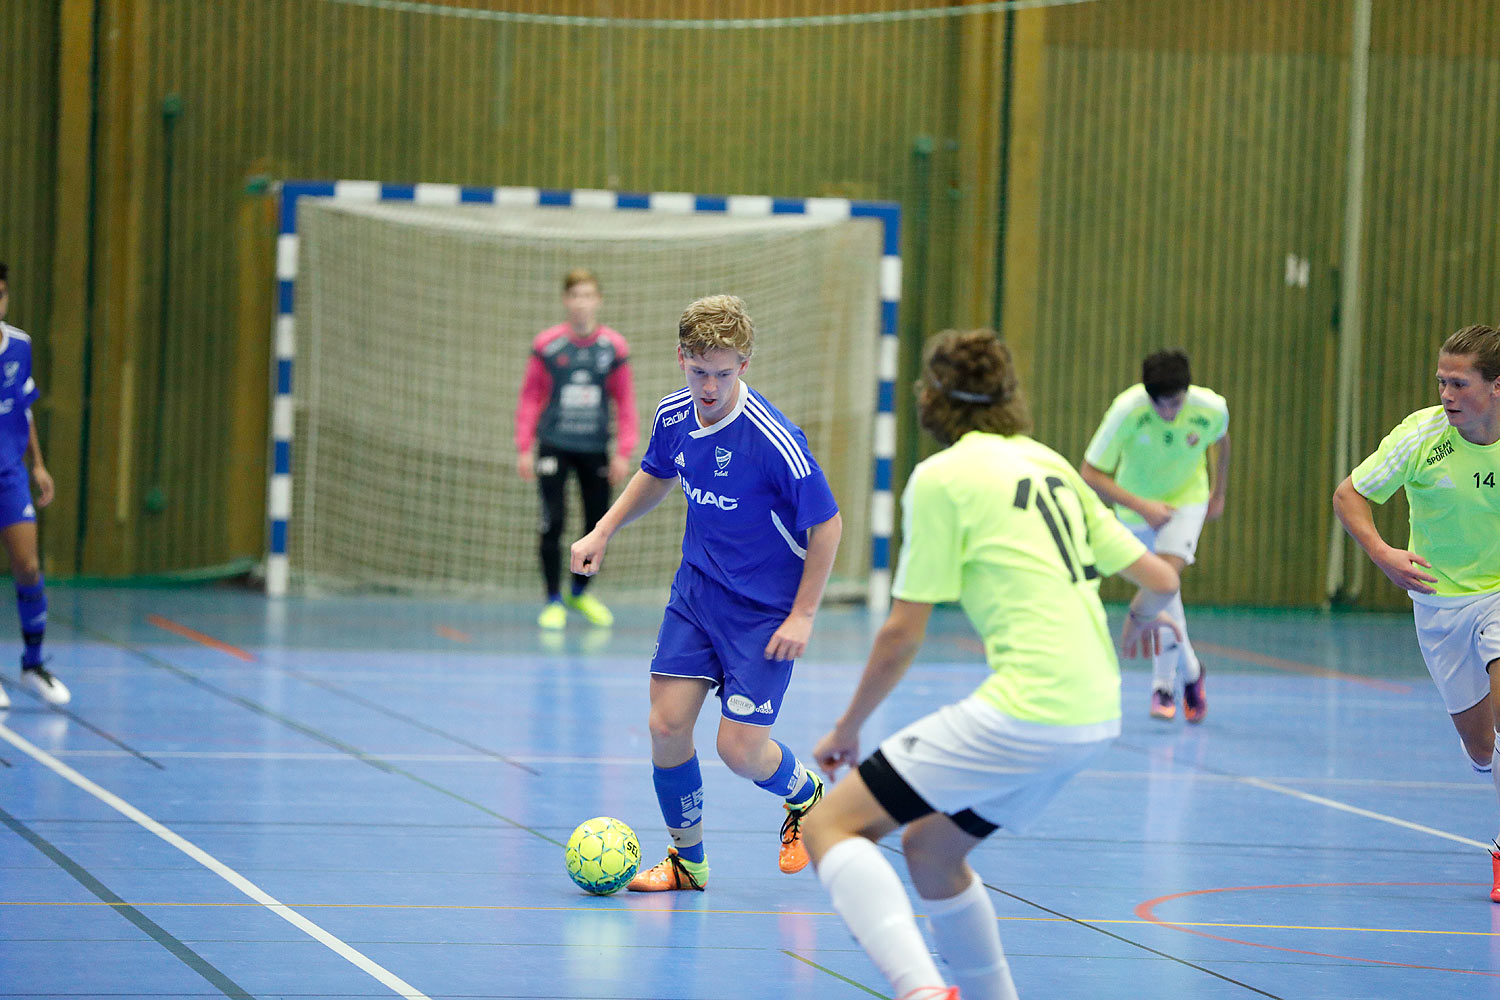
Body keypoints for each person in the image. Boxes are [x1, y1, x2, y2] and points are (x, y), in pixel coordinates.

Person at [801, 329, 1181, 1000]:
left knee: (828, 824)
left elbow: (901, 633)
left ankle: (919, 990)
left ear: (934, 399)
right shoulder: (1050, 463)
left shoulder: (942, 478)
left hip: (1029, 708)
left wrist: (846, 729)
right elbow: (1160, 577)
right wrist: (1144, 618)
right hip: (1095, 710)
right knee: (933, 853)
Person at [570, 294, 842, 890]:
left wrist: (802, 615)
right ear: (681, 360)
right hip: (698, 593)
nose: (710, 386)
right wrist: (603, 529)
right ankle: (687, 864)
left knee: (741, 752)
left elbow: (828, 524)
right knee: (666, 727)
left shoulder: (774, 439)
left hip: (766, 613)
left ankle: (806, 793)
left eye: (723, 373)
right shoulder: (673, 415)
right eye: (699, 372)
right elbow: (658, 471)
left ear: (744, 365)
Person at [1332, 323, 1500, 902]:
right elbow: (1348, 495)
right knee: (1482, 747)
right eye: (1440, 382)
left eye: (1459, 383)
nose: (1446, 394)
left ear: (1497, 386)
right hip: (1439, 602)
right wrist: (1381, 554)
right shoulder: (1422, 436)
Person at [1079, 349, 1229, 723]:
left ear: (1187, 391)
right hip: (1134, 510)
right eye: (1160, 406)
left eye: (1175, 404)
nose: (1169, 414)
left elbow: (1221, 442)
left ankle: (1162, 685)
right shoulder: (1126, 411)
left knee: (1166, 580)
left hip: (1187, 504)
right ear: (1148, 397)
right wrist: (1143, 506)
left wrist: (1218, 493)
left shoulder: (1211, 408)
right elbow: (1090, 473)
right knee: (1165, 591)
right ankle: (1192, 672)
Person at [514, 268, 639, 630]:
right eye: (575, 295)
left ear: (597, 300)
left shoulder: (613, 348)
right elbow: (530, 397)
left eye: (588, 295)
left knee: (597, 523)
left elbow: (625, 401)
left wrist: (622, 451)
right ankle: (552, 598)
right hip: (555, 443)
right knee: (552, 520)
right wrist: (525, 447)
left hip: (595, 447)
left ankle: (579, 593)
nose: (582, 303)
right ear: (566, 300)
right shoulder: (548, 346)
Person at [0, 262, 68, 711]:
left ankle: (33, 663)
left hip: (9, 473)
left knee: (28, 565)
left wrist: (38, 465)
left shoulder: (19, 345)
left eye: (1, 293)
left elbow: (24, 408)